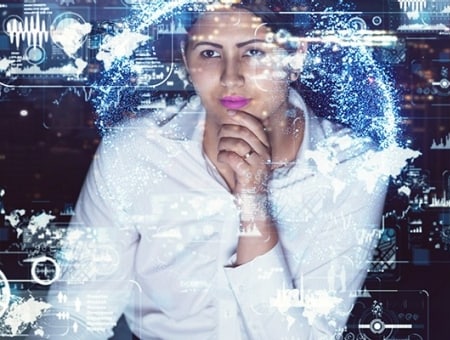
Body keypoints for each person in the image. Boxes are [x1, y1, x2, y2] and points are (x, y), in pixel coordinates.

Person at [30, 1, 417, 339]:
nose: (231, 78)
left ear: (295, 56)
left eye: (254, 52)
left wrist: (254, 202)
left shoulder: (350, 166)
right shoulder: (135, 153)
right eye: (210, 54)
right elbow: (78, 314)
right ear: (187, 61)